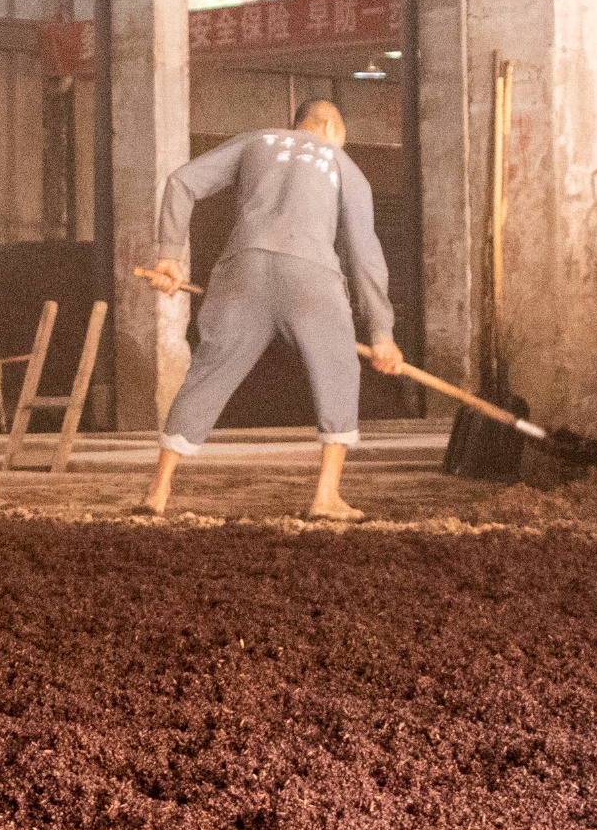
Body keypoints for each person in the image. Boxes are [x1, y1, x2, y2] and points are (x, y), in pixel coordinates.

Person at [138, 97, 405, 521]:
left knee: (208, 373)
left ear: (298, 124)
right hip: (312, 278)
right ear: (334, 129)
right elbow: (365, 253)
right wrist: (381, 333)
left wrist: (170, 255)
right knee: (338, 371)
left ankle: (159, 487)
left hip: (242, 269)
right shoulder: (343, 165)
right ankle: (326, 496)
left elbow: (181, 181)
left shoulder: (255, 141)